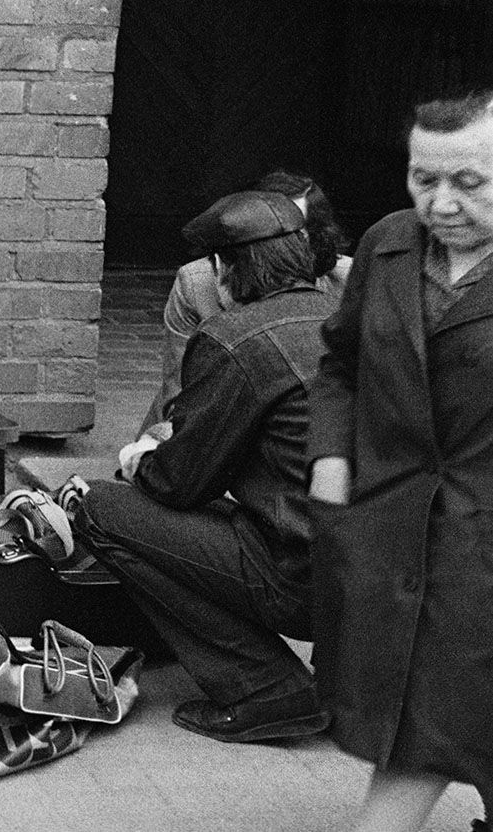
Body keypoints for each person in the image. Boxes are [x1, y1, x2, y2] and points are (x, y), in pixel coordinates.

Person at [70, 190, 336, 745]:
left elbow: (178, 483)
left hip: (300, 581)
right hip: (382, 580)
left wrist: (141, 460)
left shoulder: (235, 339)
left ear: (224, 269)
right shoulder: (352, 320)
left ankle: (266, 688)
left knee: (100, 507)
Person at [308, 91, 493, 832]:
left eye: (469, 182)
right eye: (423, 179)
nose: (441, 203)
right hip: (395, 526)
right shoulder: (387, 244)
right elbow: (340, 363)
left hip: (480, 536)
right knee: (429, 711)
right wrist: (329, 457)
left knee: (437, 716)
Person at [143, 169, 351, 430]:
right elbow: (178, 397)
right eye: (267, 232)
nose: (280, 244)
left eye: (294, 232)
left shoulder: (348, 279)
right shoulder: (197, 282)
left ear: (315, 237)